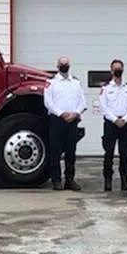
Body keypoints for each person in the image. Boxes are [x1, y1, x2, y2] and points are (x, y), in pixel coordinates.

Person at [43, 56, 85, 191]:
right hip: (57, 120)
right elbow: (48, 102)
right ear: (57, 66)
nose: (64, 66)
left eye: (66, 64)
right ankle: (56, 180)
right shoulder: (51, 83)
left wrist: (75, 113)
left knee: (71, 152)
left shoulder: (76, 83)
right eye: (62, 64)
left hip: (72, 121)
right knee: (55, 152)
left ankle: (70, 180)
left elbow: (82, 102)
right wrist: (61, 113)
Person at [99, 58, 127, 191]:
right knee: (108, 153)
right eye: (115, 68)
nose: (117, 70)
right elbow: (104, 108)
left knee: (124, 154)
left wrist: (124, 119)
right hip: (110, 124)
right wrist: (115, 120)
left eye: (119, 68)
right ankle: (108, 181)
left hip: (125, 124)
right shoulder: (106, 89)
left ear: (123, 70)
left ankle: (125, 180)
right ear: (111, 71)